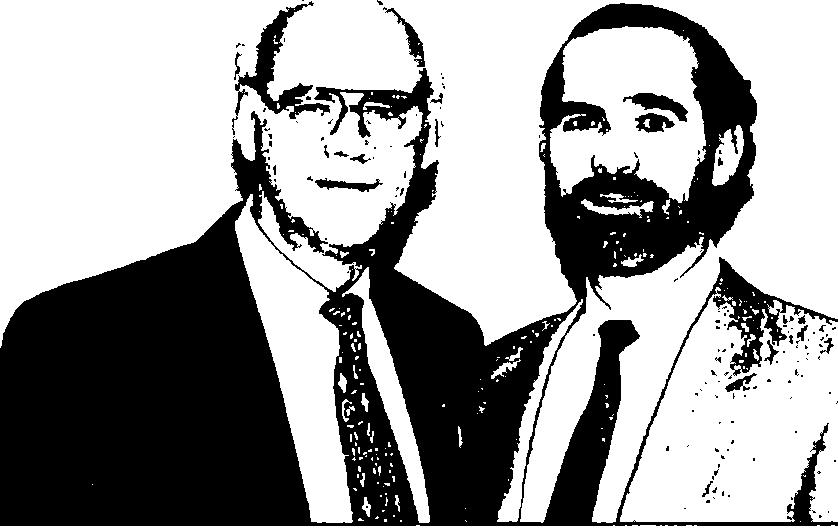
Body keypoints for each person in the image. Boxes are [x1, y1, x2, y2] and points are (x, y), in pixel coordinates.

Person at [0, 0, 482, 524]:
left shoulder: (448, 343)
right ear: (252, 123)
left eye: (386, 110)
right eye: (312, 105)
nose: (350, 141)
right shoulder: (79, 345)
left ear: (428, 136)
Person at [467, 3, 838, 523]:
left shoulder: (821, 377)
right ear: (545, 147)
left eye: (652, 123)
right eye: (583, 122)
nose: (613, 160)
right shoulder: (489, 378)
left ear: (725, 151)